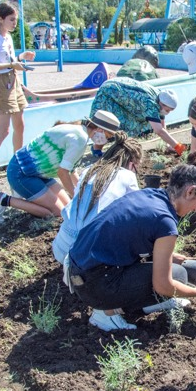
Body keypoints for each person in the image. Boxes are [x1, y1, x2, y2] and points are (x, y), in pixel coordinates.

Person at [68, 164, 196, 330]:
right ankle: (106, 313)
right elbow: (163, 285)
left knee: (169, 269)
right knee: (178, 275)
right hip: (96, 287)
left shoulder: (148, 195)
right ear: (190, 191)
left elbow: (129, 238)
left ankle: (144, 303)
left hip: (77, 271)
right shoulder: (165, 222)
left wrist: (167, 255)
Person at [52, 131, 144, 331]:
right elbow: (140, 211)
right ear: (132, 162)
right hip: (87, 255)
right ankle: (105, 313)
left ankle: (71, 276)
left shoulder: (89, 170)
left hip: (61, 246)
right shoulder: (127, 176)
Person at [0, 110, 120, 224]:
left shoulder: (80, 131)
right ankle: (4, 199)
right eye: (108, 136)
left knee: (67, 207)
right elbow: (63, 173)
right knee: (58, 213)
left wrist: (82, 190)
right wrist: (77, 197)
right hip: (21, 173)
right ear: (100, 130)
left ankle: (30, 194)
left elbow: (71, 169)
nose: (105, 140)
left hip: (39, 173)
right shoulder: (79, 138)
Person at [0, 3, 36, 184]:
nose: (14, 23)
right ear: (0, 19)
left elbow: (9, 60)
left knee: (20, 125)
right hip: (2, 84)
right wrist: (12, 65)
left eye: (15, 20)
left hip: (13, 81)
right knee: (3, 130)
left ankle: (17, 165)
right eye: (11, 20)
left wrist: (20, 58)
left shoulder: (7, 37)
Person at [89, 77, 185, 157]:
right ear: (161, 104)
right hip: (109, 93)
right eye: (167, 110)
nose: (167, 113)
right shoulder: (149, 104)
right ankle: (96, 148)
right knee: (108, 123)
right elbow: (159, 130)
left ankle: (120, 148)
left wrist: (168, 144)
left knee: (127, 122)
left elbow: (161, 123)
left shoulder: (160, 97)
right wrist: (177, 146)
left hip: (119, 96)